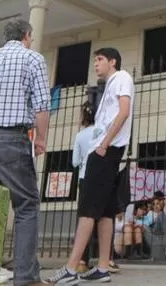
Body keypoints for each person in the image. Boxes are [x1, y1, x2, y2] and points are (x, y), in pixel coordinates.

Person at [0, 19, 49, 286]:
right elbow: (42, 105)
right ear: (27, 35)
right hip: (11, 138)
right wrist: (41, 139)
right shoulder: (33, 58)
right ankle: (26, 277)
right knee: (26, 206)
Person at [51, 47, 135, 284]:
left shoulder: (121, 77)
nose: (96, 64)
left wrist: (105, 144)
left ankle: (70, 269)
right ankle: (103, 267)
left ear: (113, 61)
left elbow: (124, 112)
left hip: (106, 151)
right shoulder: (110, 84)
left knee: (88, 209)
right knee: (106, 211)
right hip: (105, 151)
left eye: (100, 59)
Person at [73, 103, 97, 274]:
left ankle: (82, 259)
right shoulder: (102, 132)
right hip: (100, 177)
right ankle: (106, 258)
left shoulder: (80, 136)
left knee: (84, 218)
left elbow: (75, 162)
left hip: (84, 177)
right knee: (102, 218)